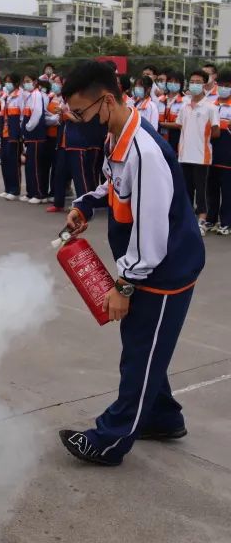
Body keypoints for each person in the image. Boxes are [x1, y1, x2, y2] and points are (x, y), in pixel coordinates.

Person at [58, 60, 205, 467]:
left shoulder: (144, 151)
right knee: (144, 344)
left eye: (82, 113)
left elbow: (152, 231)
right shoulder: (117, 137)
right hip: (148, 264)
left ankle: (110, 440)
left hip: (164, 269)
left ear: (106, 101)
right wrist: (87, 203)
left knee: (139, 354)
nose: (78, 120)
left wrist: (124, 285)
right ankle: (164, 417)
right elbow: (115, 186)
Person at [167, 70, 220, 235]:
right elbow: (180, 125)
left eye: (198, 81)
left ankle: (202, 221)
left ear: (204, 84)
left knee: (201, 190)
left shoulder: (211, 107)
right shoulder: (184, 105)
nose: (194, 84)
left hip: (202, 156)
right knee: (187, 189)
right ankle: (188, 221)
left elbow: (216, 132)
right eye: (192, 81)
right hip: (184, 155)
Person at [207, 72, 231, 236]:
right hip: (210, 153)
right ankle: (211, 219)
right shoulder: (211, 104)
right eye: (221, 85)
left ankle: (227, 222)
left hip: (227, 154)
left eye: (227, 86)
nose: (223, 88)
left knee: (227, 190)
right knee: (211, 188)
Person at [21, 74, 47, 204]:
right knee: (30, 166)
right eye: (25, 82)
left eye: (28, 81)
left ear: (35, 82)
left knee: (36, 166)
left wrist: (28, 127)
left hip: (36, 136)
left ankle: (39, 193)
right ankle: (30, 191)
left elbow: (36, 114)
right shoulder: (30, 96)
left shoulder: (37, 95)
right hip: (30, 137)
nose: (26, 84)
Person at [0, 73, 24, 200]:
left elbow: (22, 117)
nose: (6, 84)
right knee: (5, 160)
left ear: (15, 83)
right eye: (5, 82)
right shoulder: (5, 96)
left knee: (13, 162)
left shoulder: (20, 96)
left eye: (9, 82)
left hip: (14, 133)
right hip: (4, 132)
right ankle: (7, 188)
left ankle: (15, 190)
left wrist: (20, 133)